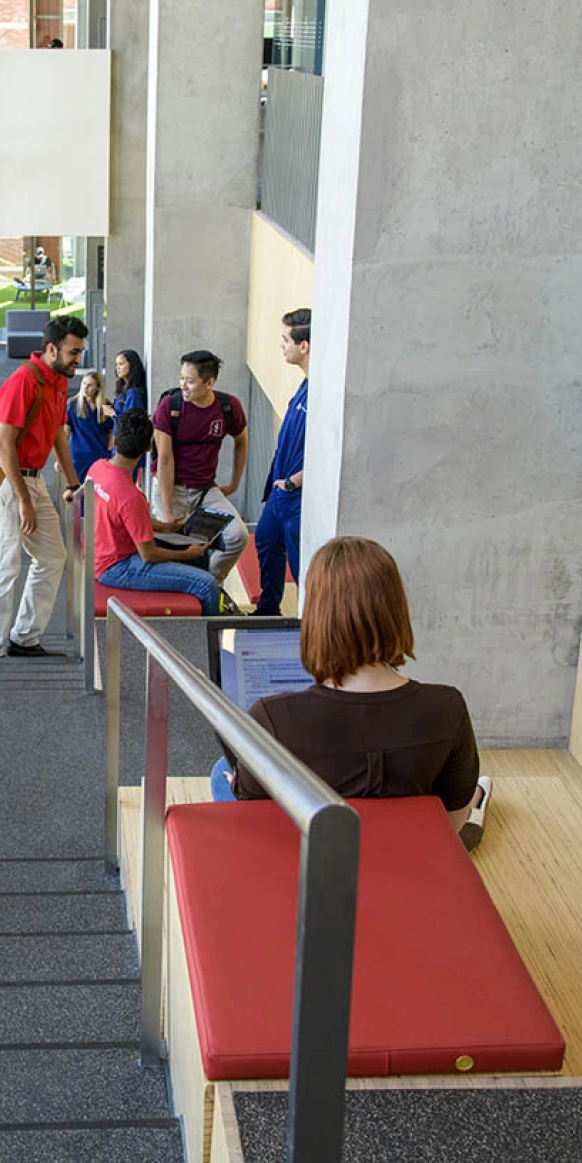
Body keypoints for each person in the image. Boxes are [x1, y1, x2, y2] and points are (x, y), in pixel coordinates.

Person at [218, 536, 491, 850]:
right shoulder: (448, 708)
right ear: (396, 610)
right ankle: (479, 798)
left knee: (221, 772)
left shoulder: (270, 717)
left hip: (311, 868)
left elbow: (259, 824)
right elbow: (452, 824)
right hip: (408, 859)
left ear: (318, 618)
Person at [0, 315, 88, 658]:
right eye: (73, 352)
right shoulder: (22, 381)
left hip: (32, 479)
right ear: (51, 348)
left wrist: (72, 481)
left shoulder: (58, 381)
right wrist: (23, 499)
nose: (78, 360)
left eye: (81, 352)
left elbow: (57, 436)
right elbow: (4, 443)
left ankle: (24, 637)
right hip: (5, 480)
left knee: (53, 556)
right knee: (5, 563)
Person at [89, 412, 222, 614]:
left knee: (199, 559)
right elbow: (149, 554)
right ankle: (215, 642)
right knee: (207, 584)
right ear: (149, 447)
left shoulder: (97, 468)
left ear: (115, 440)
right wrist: (185, 554)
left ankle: (195, 623)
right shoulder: (131, 496)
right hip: (116, 567)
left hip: (102, 553)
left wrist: (167, 527)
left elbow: (126, 518)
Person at [151, 350, 249, 585]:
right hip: (170, 488)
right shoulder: (169, 407)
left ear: (210, 382)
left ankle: (210, 582)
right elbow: (165, 460)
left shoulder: (228, 407)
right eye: (181, 378)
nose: (183, 386)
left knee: (238, 536)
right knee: (173, 546)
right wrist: (168, 514)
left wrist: (235, 483)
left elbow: (241, 441)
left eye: (190, 381)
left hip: (205, 490)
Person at [254, 309, 310, 616]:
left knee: (302, 568)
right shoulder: (303, 386)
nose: (281, 346)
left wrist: (294, 481)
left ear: (304, 346)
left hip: (295, 495)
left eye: (286, 339)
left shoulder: (321, 391)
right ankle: (267, 611)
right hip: (279, 494)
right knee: (265, 540)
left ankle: (307, 629)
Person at [64, 370, 114, 483]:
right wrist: (61, 459)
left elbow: (111, 430)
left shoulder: (106, 405)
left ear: (97, 388)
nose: (85, 388)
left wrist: (110, 451)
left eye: (90, 385)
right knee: (81, 493)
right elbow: (65, 433)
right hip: (80, 457)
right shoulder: (73, 405)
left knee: (99, 492)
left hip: (101, 456)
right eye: (84, 384)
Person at [112, 348, 147, 419]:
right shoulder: (123, 389)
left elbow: (133, 421)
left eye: (121, 364)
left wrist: (113, 414)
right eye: (116, 364)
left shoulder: (134, 393)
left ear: (132, 365)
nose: (117, 368)